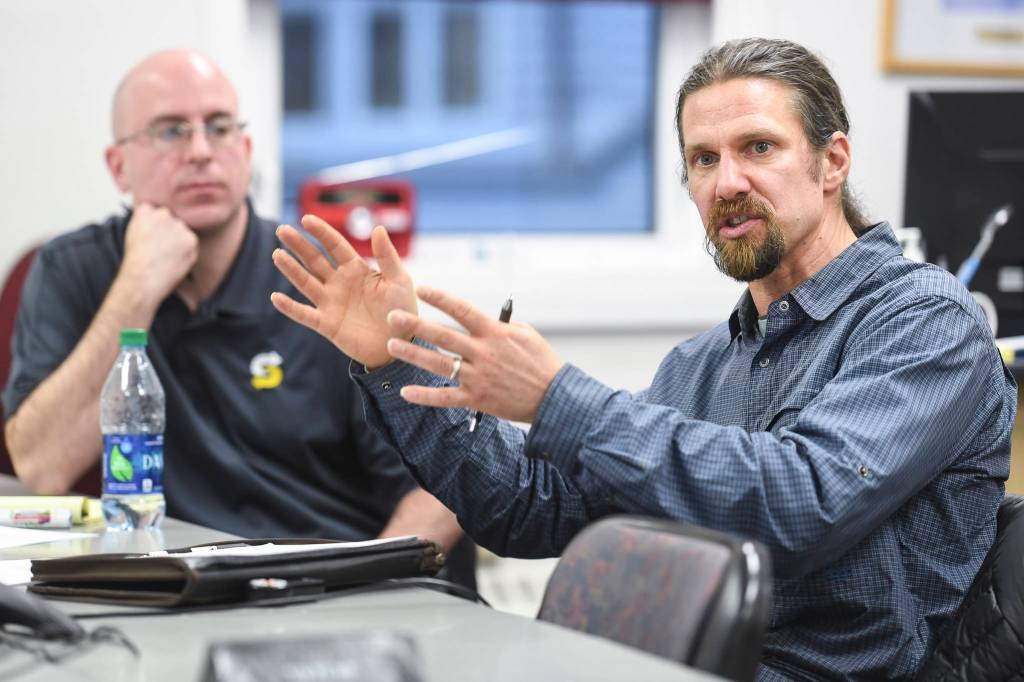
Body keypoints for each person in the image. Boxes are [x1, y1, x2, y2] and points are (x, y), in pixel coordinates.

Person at [270, 37, 1016, 679]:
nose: (728, 183)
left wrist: (558, 398)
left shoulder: (925, 322)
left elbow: (803, 500)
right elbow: (534, 510)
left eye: (759, 147)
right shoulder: (699, 365)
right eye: (703, 159)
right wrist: (397, 362)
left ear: (832, 162)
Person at [1, 49, 472, 585]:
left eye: (219, 127)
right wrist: (136, 292)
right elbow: (43, 467)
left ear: (246, 152)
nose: (201, 151)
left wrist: (370, 584)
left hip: (334, 575)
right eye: (170, 131)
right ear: (118, 166)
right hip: (186, 584)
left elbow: (441, 483)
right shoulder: (72, 270)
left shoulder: (319, 278)